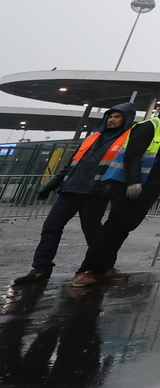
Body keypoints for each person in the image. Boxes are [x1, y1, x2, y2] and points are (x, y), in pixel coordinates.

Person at [69, 91, 160, 287]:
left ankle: (105, 268)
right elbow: (132, 156)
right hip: (128, 185)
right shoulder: (149, 126)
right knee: (113, 227)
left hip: (150, 186)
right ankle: (87, 270)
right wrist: (133, 181)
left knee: (124, 228)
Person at [12, 103, 136, 286]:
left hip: (95, 193)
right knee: (51, 227)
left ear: (126, 119)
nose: (112, 119)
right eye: (110, 116)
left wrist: (114, 187)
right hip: (70, 190)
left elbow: (127, 166)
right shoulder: (92, 138)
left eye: (117, 117)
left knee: (93, 232)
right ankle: (41, 268)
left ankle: (104, 268)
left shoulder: (128, 139)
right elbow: (71, 165)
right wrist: (50, 186)